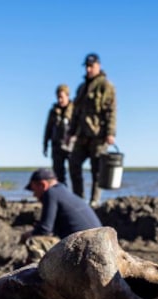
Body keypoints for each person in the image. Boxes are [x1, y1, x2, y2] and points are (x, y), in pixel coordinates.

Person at [66, 52, 116, 206]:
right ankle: (79, 199)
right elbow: (75, 112)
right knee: (73, 164)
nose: (88, 69)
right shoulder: (82, 88)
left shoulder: (105, 85)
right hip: (82, 135)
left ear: (98, 66)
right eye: (86, 66)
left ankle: (95, 201)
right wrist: (70, 132)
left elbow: (111, 110)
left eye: (91, 66)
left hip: (98, 135)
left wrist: (110, 132)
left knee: (97, 170)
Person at [20, 168, 102, 260]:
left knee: (34, 241)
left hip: (85, 250)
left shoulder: (51, 193)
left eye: (34, 190)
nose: (34, 195)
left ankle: (38, 273)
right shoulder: (62, 192)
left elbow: (45, 229)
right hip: (97, 245)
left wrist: (28, 235)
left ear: (43, 185)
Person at [42, 84, 72, 186]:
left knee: (74, 173)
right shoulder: (53, 112)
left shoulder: (75, 110)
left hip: (71, 146)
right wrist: (45, 144)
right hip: (57, 146)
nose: (60, 100)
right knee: (58, 174)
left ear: (67, 96)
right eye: (58, 97)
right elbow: (48, 129)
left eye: (62, 97)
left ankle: (77, 198)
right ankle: (62, 195)